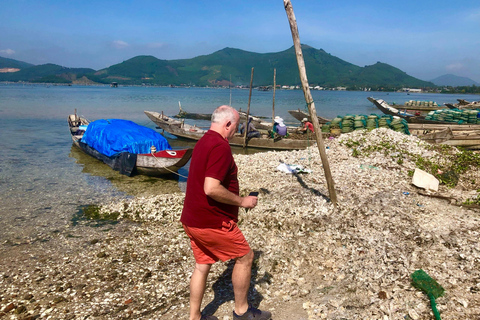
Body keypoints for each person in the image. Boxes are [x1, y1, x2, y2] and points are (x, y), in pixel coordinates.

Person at [181, 105, 271, 320]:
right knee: (245, 257)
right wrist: (242, 202)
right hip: (211, 221)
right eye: (237, 126)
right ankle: (242, 312)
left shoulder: (203, 140)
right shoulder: (220, 146)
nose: (237, 131)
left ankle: (195, 317)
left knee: (202, 265)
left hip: (192, 219)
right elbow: (211, 188)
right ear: (228, 123)